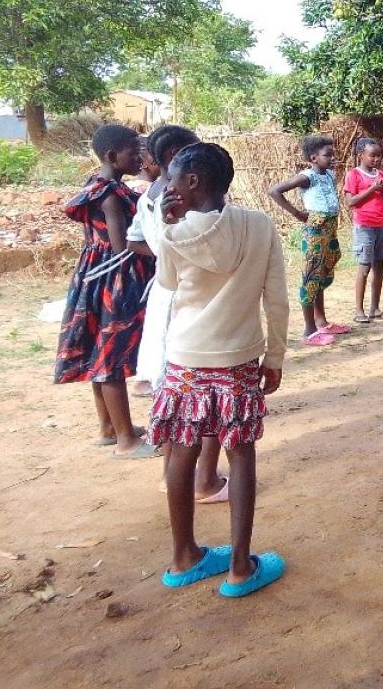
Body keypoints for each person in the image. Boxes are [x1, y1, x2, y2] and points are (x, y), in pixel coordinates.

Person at [149, 143, 289, 597]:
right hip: (237, 358)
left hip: (186, 356)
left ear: (194, 182)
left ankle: (183, 556)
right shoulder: (259, 225)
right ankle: (239, 568)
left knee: (182, 450)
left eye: (172, 178)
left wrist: (168, 225)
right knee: (241, 454)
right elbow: (277, 299)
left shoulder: (171, 232)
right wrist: (275, 357)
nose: (167, 186)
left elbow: (168, 284)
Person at [125, 125, 229, 503]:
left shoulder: (150, 197)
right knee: (211, 392)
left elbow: (134, 241)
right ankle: (205, 480)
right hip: (196, 302)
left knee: (172, 393)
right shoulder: (191, 200)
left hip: (166, 296)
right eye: (193, 151)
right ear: (176, 160)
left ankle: (172, 475)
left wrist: (163, 249)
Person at [54, 123, 157, 459]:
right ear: (113, 156)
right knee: (110, 357)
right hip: (115, 279)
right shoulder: (110, 194)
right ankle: (127, 441)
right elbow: (121, 246)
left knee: (100, 352)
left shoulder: (97, 186)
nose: (140, 156)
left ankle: (109, 428)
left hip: (93, 277)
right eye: (134, 149)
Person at [268, 134, 347, 345]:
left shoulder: (329, 174)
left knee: (321, 274)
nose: (332, 158)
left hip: (329, 228)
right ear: (313, 158)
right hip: (315, 231)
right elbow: (274, 191)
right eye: (327, 155)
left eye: (333, 154)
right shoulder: (307, 177)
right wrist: (297, 213)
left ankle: (321, 322)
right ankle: (309, 331)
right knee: (311, 276)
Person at [344, 137, 383, 323]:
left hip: (381, 224)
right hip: (364, 225)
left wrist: (382, 190)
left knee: (379, 266)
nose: (376, 159)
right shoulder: (353, 175)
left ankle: (375, 308)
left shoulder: (381, 175)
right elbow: (350, 202)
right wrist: (372, 189)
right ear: (360, 156)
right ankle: (359, 310)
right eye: (372, 155)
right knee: (364, 267)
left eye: (379, 156)